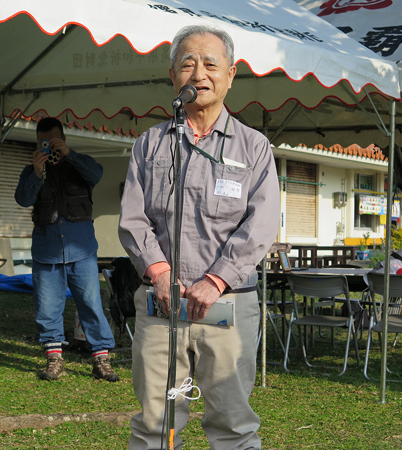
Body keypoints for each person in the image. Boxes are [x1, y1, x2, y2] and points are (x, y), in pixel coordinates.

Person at [118, 25, 280, 449]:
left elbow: (261, 224)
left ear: (231, 74)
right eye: (188, 64)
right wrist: (158, 271)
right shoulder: (149, 145)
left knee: (232, 424)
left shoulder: (254, 147)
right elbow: (133, 219)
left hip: (227, 306)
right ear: (173, 76)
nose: (199, 74)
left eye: (211, 64)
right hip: (160, 306)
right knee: (156, 423)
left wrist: (215, 280)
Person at [15, 117, 119, 382]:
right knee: (47, 308)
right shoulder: (32, 171)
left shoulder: (80, 165)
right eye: (43, 142)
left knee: (91, 304)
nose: (49, 146)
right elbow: (23, 199)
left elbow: (97, 174)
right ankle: (54, 360)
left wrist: (69, 154)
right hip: (47, 250)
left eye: (54, 141)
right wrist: (37, 174)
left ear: (63, 139)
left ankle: (102, 361)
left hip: (81, 249)